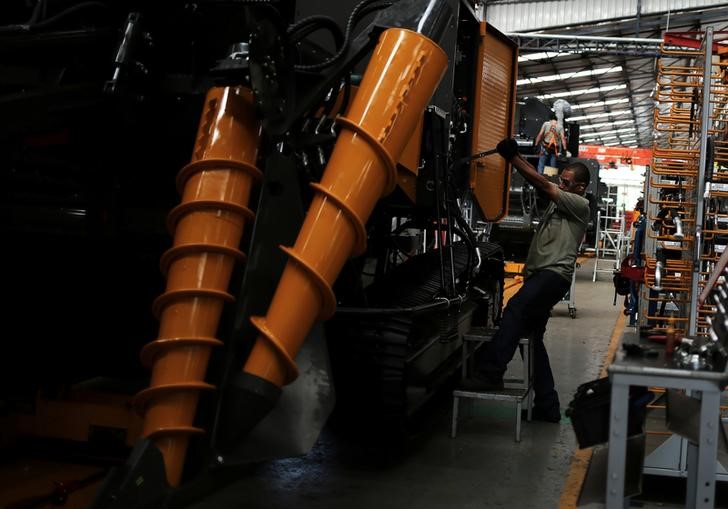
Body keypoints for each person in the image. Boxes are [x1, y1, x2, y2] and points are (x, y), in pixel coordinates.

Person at [464, 138, 591, 423]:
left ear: (580, 188)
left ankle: (490, 373)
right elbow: (543, 186)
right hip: (542, 275)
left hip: (552, 275)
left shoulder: (579, 204)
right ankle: (548, 406)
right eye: (561, 180)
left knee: (515, 310)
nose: (561, 185)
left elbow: (543, 185)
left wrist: (514, 158)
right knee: (533, 339)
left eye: (567, 182)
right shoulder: (562, 201)